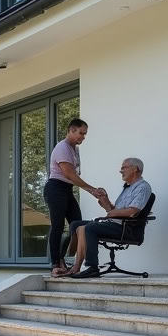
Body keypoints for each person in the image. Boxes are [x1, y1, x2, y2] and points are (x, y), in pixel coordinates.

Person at [64, 157, 153, 279]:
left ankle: (92, 267)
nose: (120, 171)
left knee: (89, 228)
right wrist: (105, 200)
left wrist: (110, 213)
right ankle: (75, 265)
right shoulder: (127, 188)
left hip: (126, 228)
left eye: (124, 167)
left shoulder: (142, 187)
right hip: (115, 223)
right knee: (76, 225)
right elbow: (114, 211)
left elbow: (132, 211)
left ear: (135, 169)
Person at [43, 118, 105, 277]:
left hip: (67, 190)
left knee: (77, 226)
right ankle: (55, 264)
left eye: (85, 134)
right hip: (55, 188)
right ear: (71, 130)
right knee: (58, 226)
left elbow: (75, 175)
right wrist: (92, 190)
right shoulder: (62, 147)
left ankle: (69, 262)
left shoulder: (75, 149)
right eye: (81, 133)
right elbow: (69, 174)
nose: (83, 137)